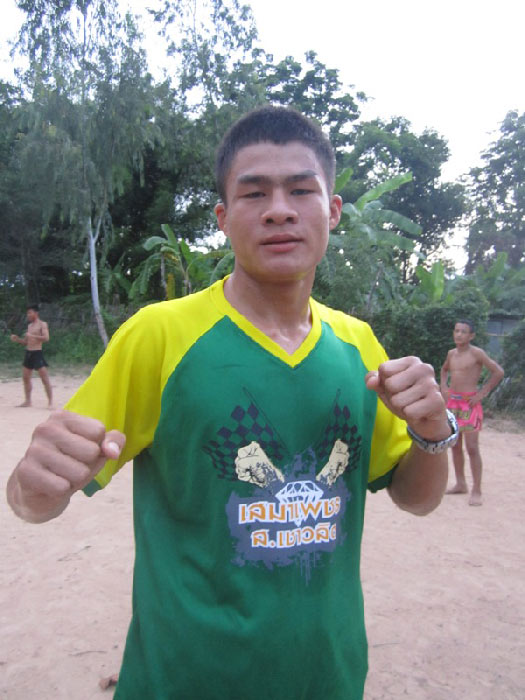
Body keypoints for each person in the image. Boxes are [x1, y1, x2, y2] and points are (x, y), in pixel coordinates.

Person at [7, 106, 459, 700]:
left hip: (328, 678)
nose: (279, 209)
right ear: (223, 218)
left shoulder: (360, 348)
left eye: (301, 190)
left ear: (332, 210)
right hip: (183, 680)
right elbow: (34, 502)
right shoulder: (160, 337)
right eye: (254, 193)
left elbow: (417, 499)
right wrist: (32, 483)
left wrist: (432, 430)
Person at [440, 319, 504, 506]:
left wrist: (482, 393)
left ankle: (477, 489)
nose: (459, 334)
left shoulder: (477, 353)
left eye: (463, 331)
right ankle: (461, 484)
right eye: (456, 330)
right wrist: (443, 386)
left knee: (472, 447)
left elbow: (498, 372)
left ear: (471, 336)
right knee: (455, 445)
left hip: (470, 404)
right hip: (453, 404)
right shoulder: (451, 354)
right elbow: (444, 370)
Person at [10, 304, 53, 408]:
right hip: (28, 353)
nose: (28, 315)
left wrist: (32, 335)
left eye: (30, 313)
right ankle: (28, 401)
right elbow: (26, 342)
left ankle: (50, 402)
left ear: (36, 313)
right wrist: (17, 339)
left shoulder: (42, 324)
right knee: (25, 378)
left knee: (44, 379)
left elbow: (46, 338)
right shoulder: (30, 326)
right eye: (27, 313)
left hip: (37, 353)